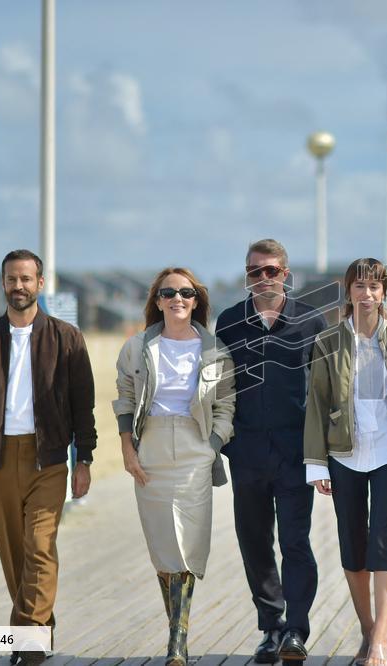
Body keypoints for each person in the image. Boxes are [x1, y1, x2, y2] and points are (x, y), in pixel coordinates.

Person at [0, 249, 96, 666]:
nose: (19, 286)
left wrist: (84, 458)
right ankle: (39, 623)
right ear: (3, 284)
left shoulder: (67, 339)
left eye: (27, 279)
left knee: (38, 546)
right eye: (12, 279)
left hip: (48, 458)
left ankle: (29, 640)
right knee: (14, 556)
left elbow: (81, 405)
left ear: (40, 282)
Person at [303, 258, 387, 666]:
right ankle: (366, 627)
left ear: (384, 292)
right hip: (345, 455)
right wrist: (317, 463)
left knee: (384, 542)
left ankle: (381, 637)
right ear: (349, 292)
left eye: (374, 286)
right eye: (360, 286)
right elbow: (317, 405)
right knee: (352, 544)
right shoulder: (328, 342)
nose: (367, 294)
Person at [113, 267, 236, 666]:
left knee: (188, 545)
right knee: (164, 547)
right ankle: (177, 634)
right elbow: (126, 398)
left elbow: (226, 404)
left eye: (185, 293)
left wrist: (212, 444)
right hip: (149, 450)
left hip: (194, 447)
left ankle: (176, 642)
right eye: (169, 293)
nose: (177, 299)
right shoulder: (136, 347)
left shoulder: (214, 349)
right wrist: (128, 450)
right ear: (158, 300)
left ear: (196, 300)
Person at [215, 239, 328, 663]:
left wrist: (323, 453)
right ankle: (271, 627)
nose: (263, 278)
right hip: (247, 454)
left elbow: (326, 392)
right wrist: (227, 443)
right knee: (255, 543)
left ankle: (296, 629)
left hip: (297, 455)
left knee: (296, 543)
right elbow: (216, 386)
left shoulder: (311, 322)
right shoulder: (228, 323)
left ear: (286, 273)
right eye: (254, 272)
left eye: (271, 270)